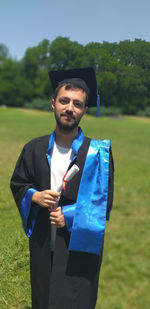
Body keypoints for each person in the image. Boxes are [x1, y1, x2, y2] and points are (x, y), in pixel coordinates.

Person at [10, 67, 114, 309]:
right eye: (64, 101)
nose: (70, 108)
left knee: (76, 299)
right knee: (43, 298)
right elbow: (18, 182)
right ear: (53, 104)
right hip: (43, 243)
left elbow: (103, 203)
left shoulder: (98, 154)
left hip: (77, 245)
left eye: (77, 104)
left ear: (85, 110)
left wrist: (68, 216)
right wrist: (34, 196)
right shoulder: (33, 149)